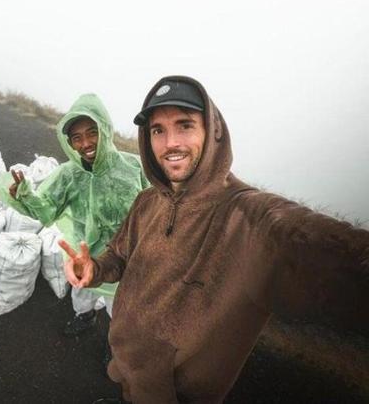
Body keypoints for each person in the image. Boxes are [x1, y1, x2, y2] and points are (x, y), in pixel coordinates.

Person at [60, 76, 369, 403]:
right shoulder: (148, 202)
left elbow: (322, 249)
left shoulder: (248, 218)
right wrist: (94, 268)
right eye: (158, 130)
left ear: (213, 132)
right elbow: (119, 256)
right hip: (127, 362)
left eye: (185, 125)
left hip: (175, 394)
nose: (170, 143)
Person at [0, 93, 148, 343]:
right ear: (70, 143)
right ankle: (84, 317)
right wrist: (25, 196)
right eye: (77, 138)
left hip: (123, 259)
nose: (85, 143)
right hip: (81, 253)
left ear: (105, 130)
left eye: (91, 132)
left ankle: (114, 342)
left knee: (117, 307)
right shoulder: (67, 175)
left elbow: (157, 209)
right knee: (82, 294)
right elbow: (45, 210)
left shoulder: (135, 168)